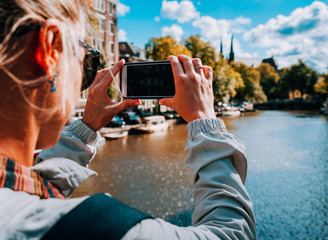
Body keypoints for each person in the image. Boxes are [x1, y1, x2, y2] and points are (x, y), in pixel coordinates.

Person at [0, 0, 256, 239]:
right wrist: (205, 122)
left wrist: (85, 128)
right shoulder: (93, 227)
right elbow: (231, 233)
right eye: (87, 63)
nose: (84, 80)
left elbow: (28, 188)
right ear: (50, 50)